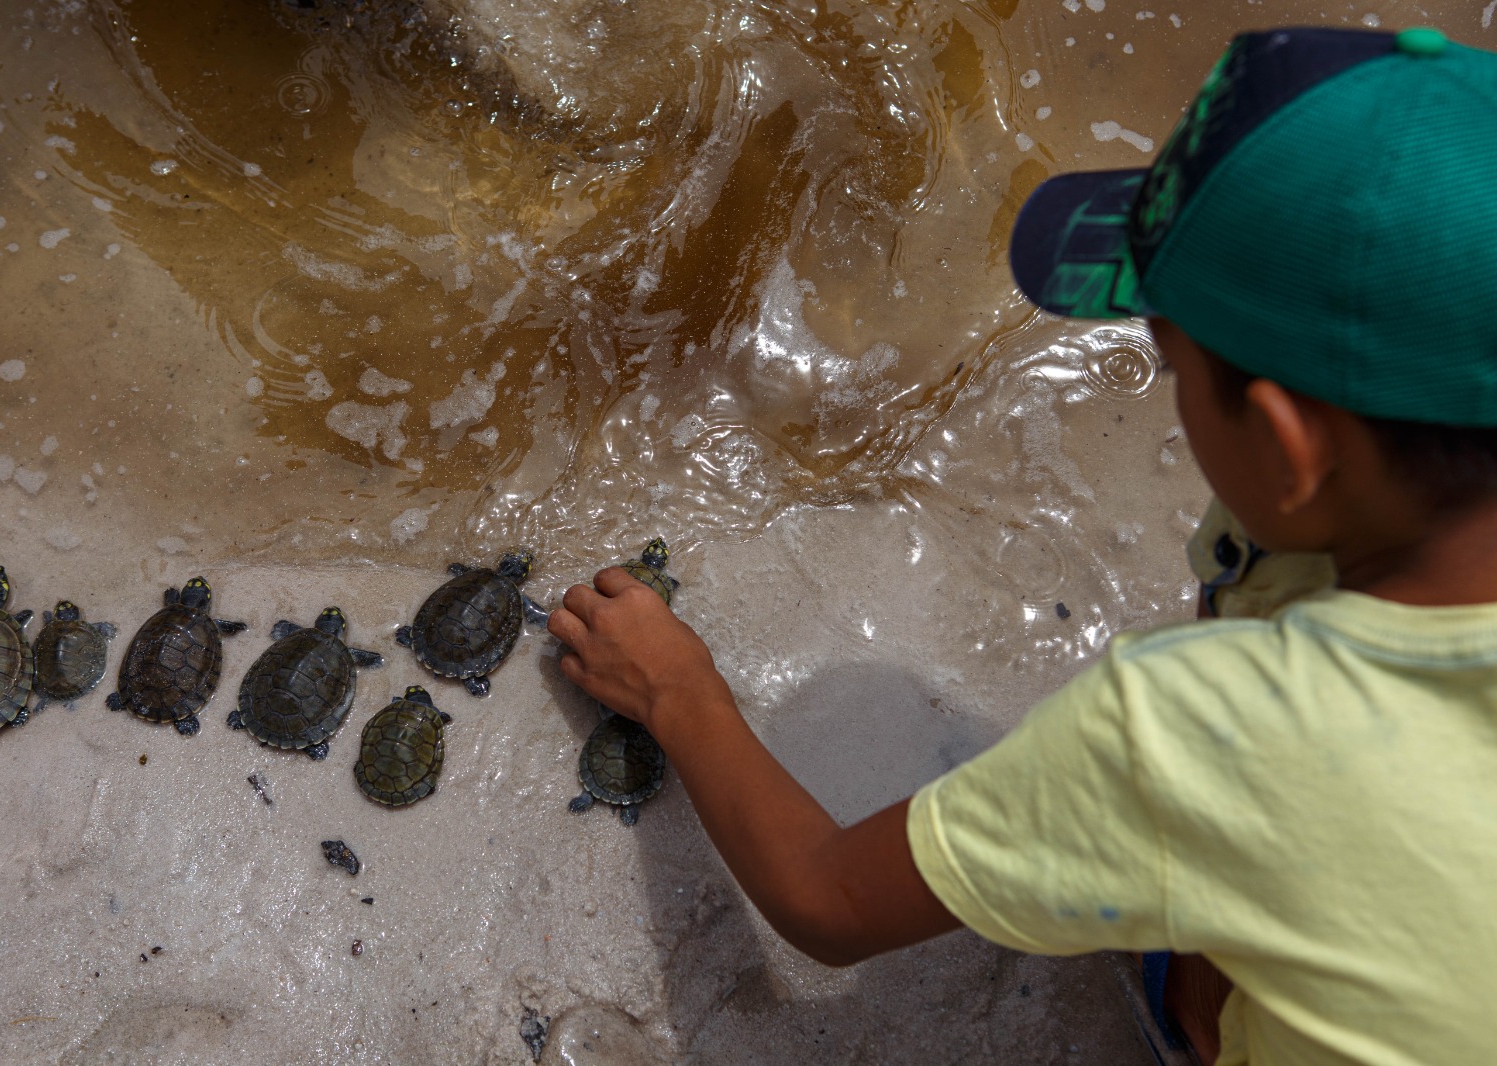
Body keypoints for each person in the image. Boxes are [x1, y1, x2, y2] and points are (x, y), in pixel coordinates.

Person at [547, 25, 1497, 1066]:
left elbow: (823, 898)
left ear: (1284, 443)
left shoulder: (1203, 737)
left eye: (1173, 362)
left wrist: (677, 686)